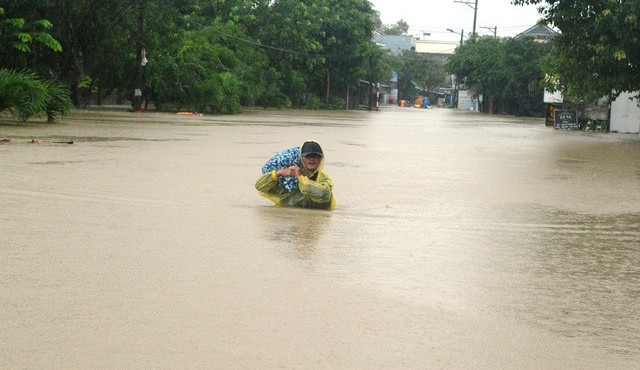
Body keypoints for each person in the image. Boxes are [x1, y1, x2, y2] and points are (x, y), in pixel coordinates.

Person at [255, 140, 336, 210]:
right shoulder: (288, 179)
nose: (312, 159)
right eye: (308, 156)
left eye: (316, 156)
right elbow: (259, 186)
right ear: (301, 157)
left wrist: (300, 177)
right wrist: (277, 173)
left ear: (321, 159)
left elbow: (324, 195)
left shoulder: (323, 178)